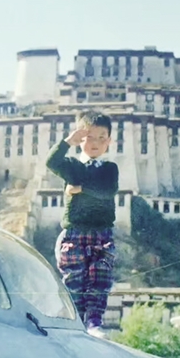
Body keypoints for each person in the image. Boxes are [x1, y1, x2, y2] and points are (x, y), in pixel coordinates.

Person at [46, 110, 118, 339]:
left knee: (99, 279)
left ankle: (94, 323)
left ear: (109, 141)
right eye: (89, 137)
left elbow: (107, 191)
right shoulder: (72, 166)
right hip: (74, 233)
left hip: (101, 234)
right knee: (74, 279)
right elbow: (51, 162)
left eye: (101, 138)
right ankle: (74, 321)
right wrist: (68, 142)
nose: (95, 143)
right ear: (80, 139)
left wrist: (80, 189)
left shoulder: (109, 169)